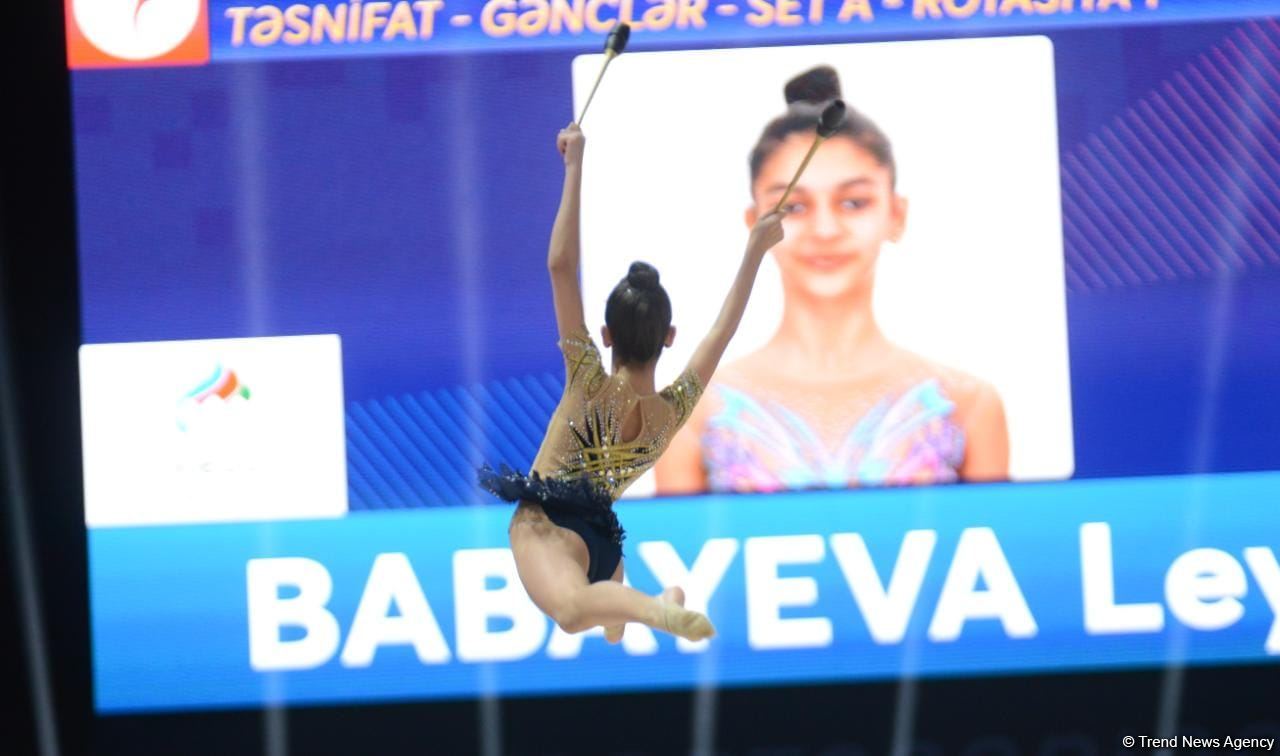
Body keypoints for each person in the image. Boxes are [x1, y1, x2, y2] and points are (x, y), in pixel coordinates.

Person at [479, 122, 785, 642]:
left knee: (575, 613)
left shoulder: (587, 380)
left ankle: (654, 608)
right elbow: (723, 331)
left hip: (549, 528)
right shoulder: (672, 412)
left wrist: (574, 165)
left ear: (604, 334)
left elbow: (560, 266)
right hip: (600, 543)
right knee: (606, 623)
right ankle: (637, 608)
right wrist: (757, 249)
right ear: (669, 336)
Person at [655, 66, 1009, 496]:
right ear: (755, 223)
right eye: (794, 207)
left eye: (853, 202)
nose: (825, 230)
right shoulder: (693, 413)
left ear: (895, 215)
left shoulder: (967, 405)